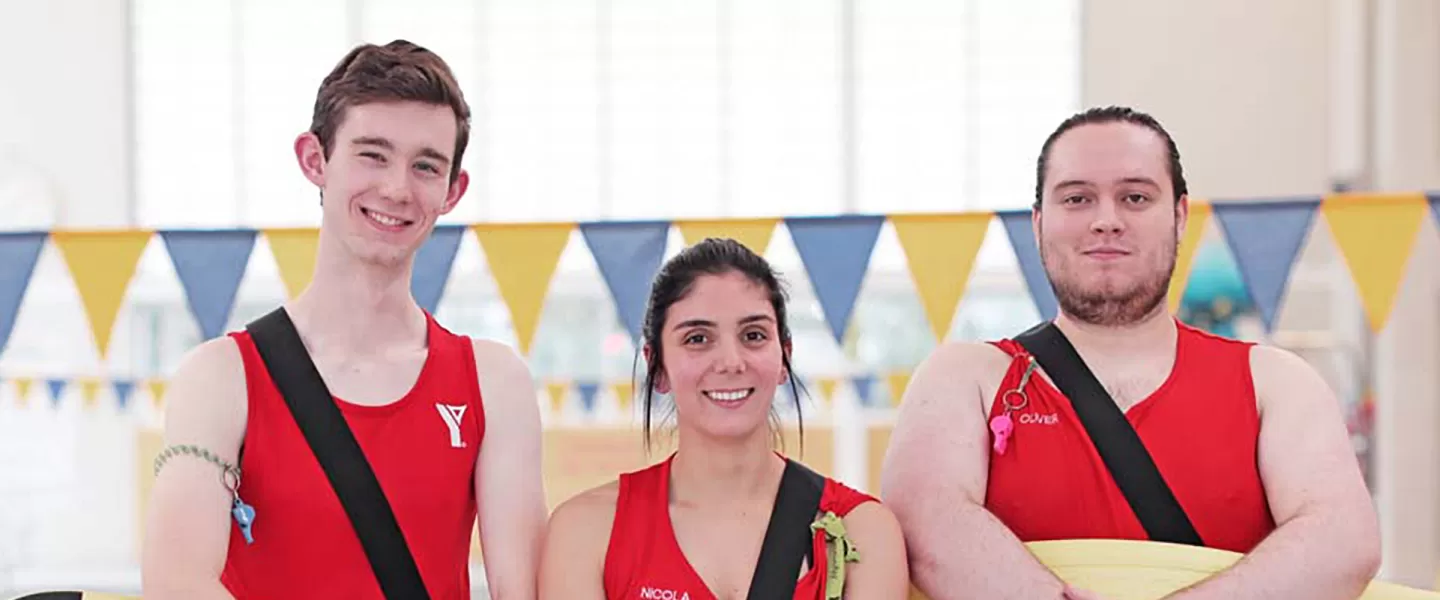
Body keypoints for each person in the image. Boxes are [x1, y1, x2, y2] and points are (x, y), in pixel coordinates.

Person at [881, 106, 1381, 599]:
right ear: (1037, 224)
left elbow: (1342, 540)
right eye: (1077, 199)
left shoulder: (1273, 381)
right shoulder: (966, 377)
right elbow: (924, 523)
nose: (1106, 220)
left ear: (1180, 217)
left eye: (1135, 197)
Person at [141, 40, 547, 599]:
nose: (397, 188)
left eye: (425, 166)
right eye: (372, 155)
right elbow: (176, 583)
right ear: (315, 160)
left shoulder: (493, 382)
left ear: (452, 191)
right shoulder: (221, 377)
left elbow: (520, 591)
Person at [536, 238, 910, 599]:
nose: (731, 362)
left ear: (784, 357)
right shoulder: (587, 533)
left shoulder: (863, 531)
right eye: (697, 339)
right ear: (658, 367)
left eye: (753, 335)